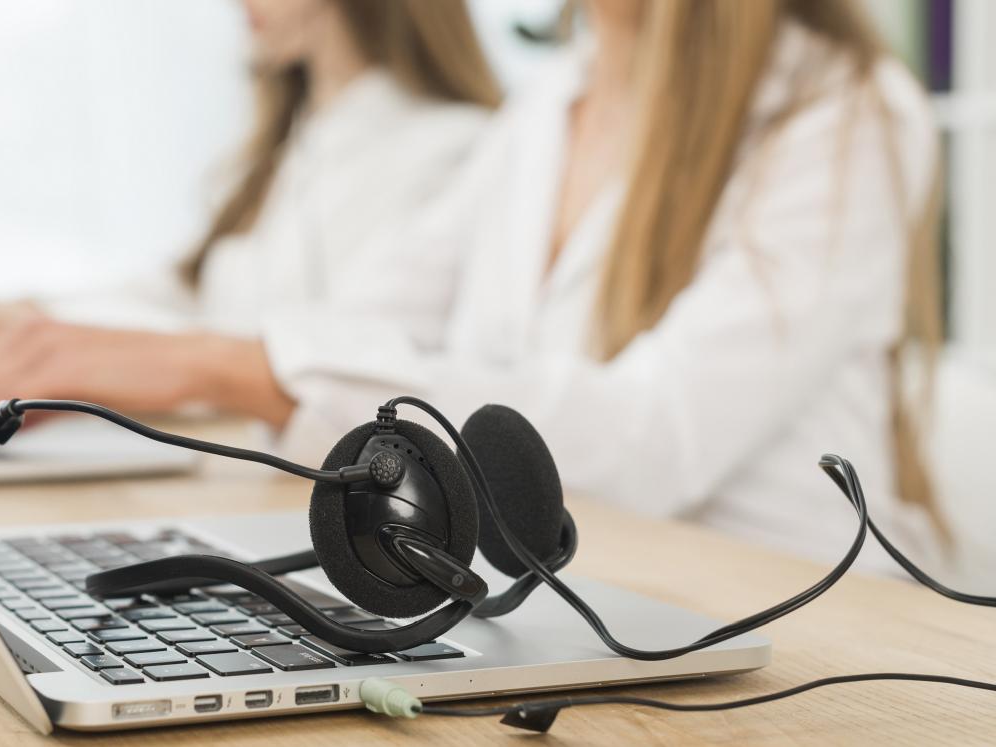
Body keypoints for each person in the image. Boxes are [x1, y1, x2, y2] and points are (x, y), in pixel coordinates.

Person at [253, 0, 950, 569]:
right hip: (583, 597)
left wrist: (266, 372)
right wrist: (225, 364)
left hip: (794, 628)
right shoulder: (546, 104)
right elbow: (376, 312)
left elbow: (657, 437)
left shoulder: (839, 110)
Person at [0, 0, 500, 457]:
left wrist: (61, 340)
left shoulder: (452, 149)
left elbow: (344, 353)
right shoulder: (283, 152)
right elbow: (177, 298)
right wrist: (4, 317)